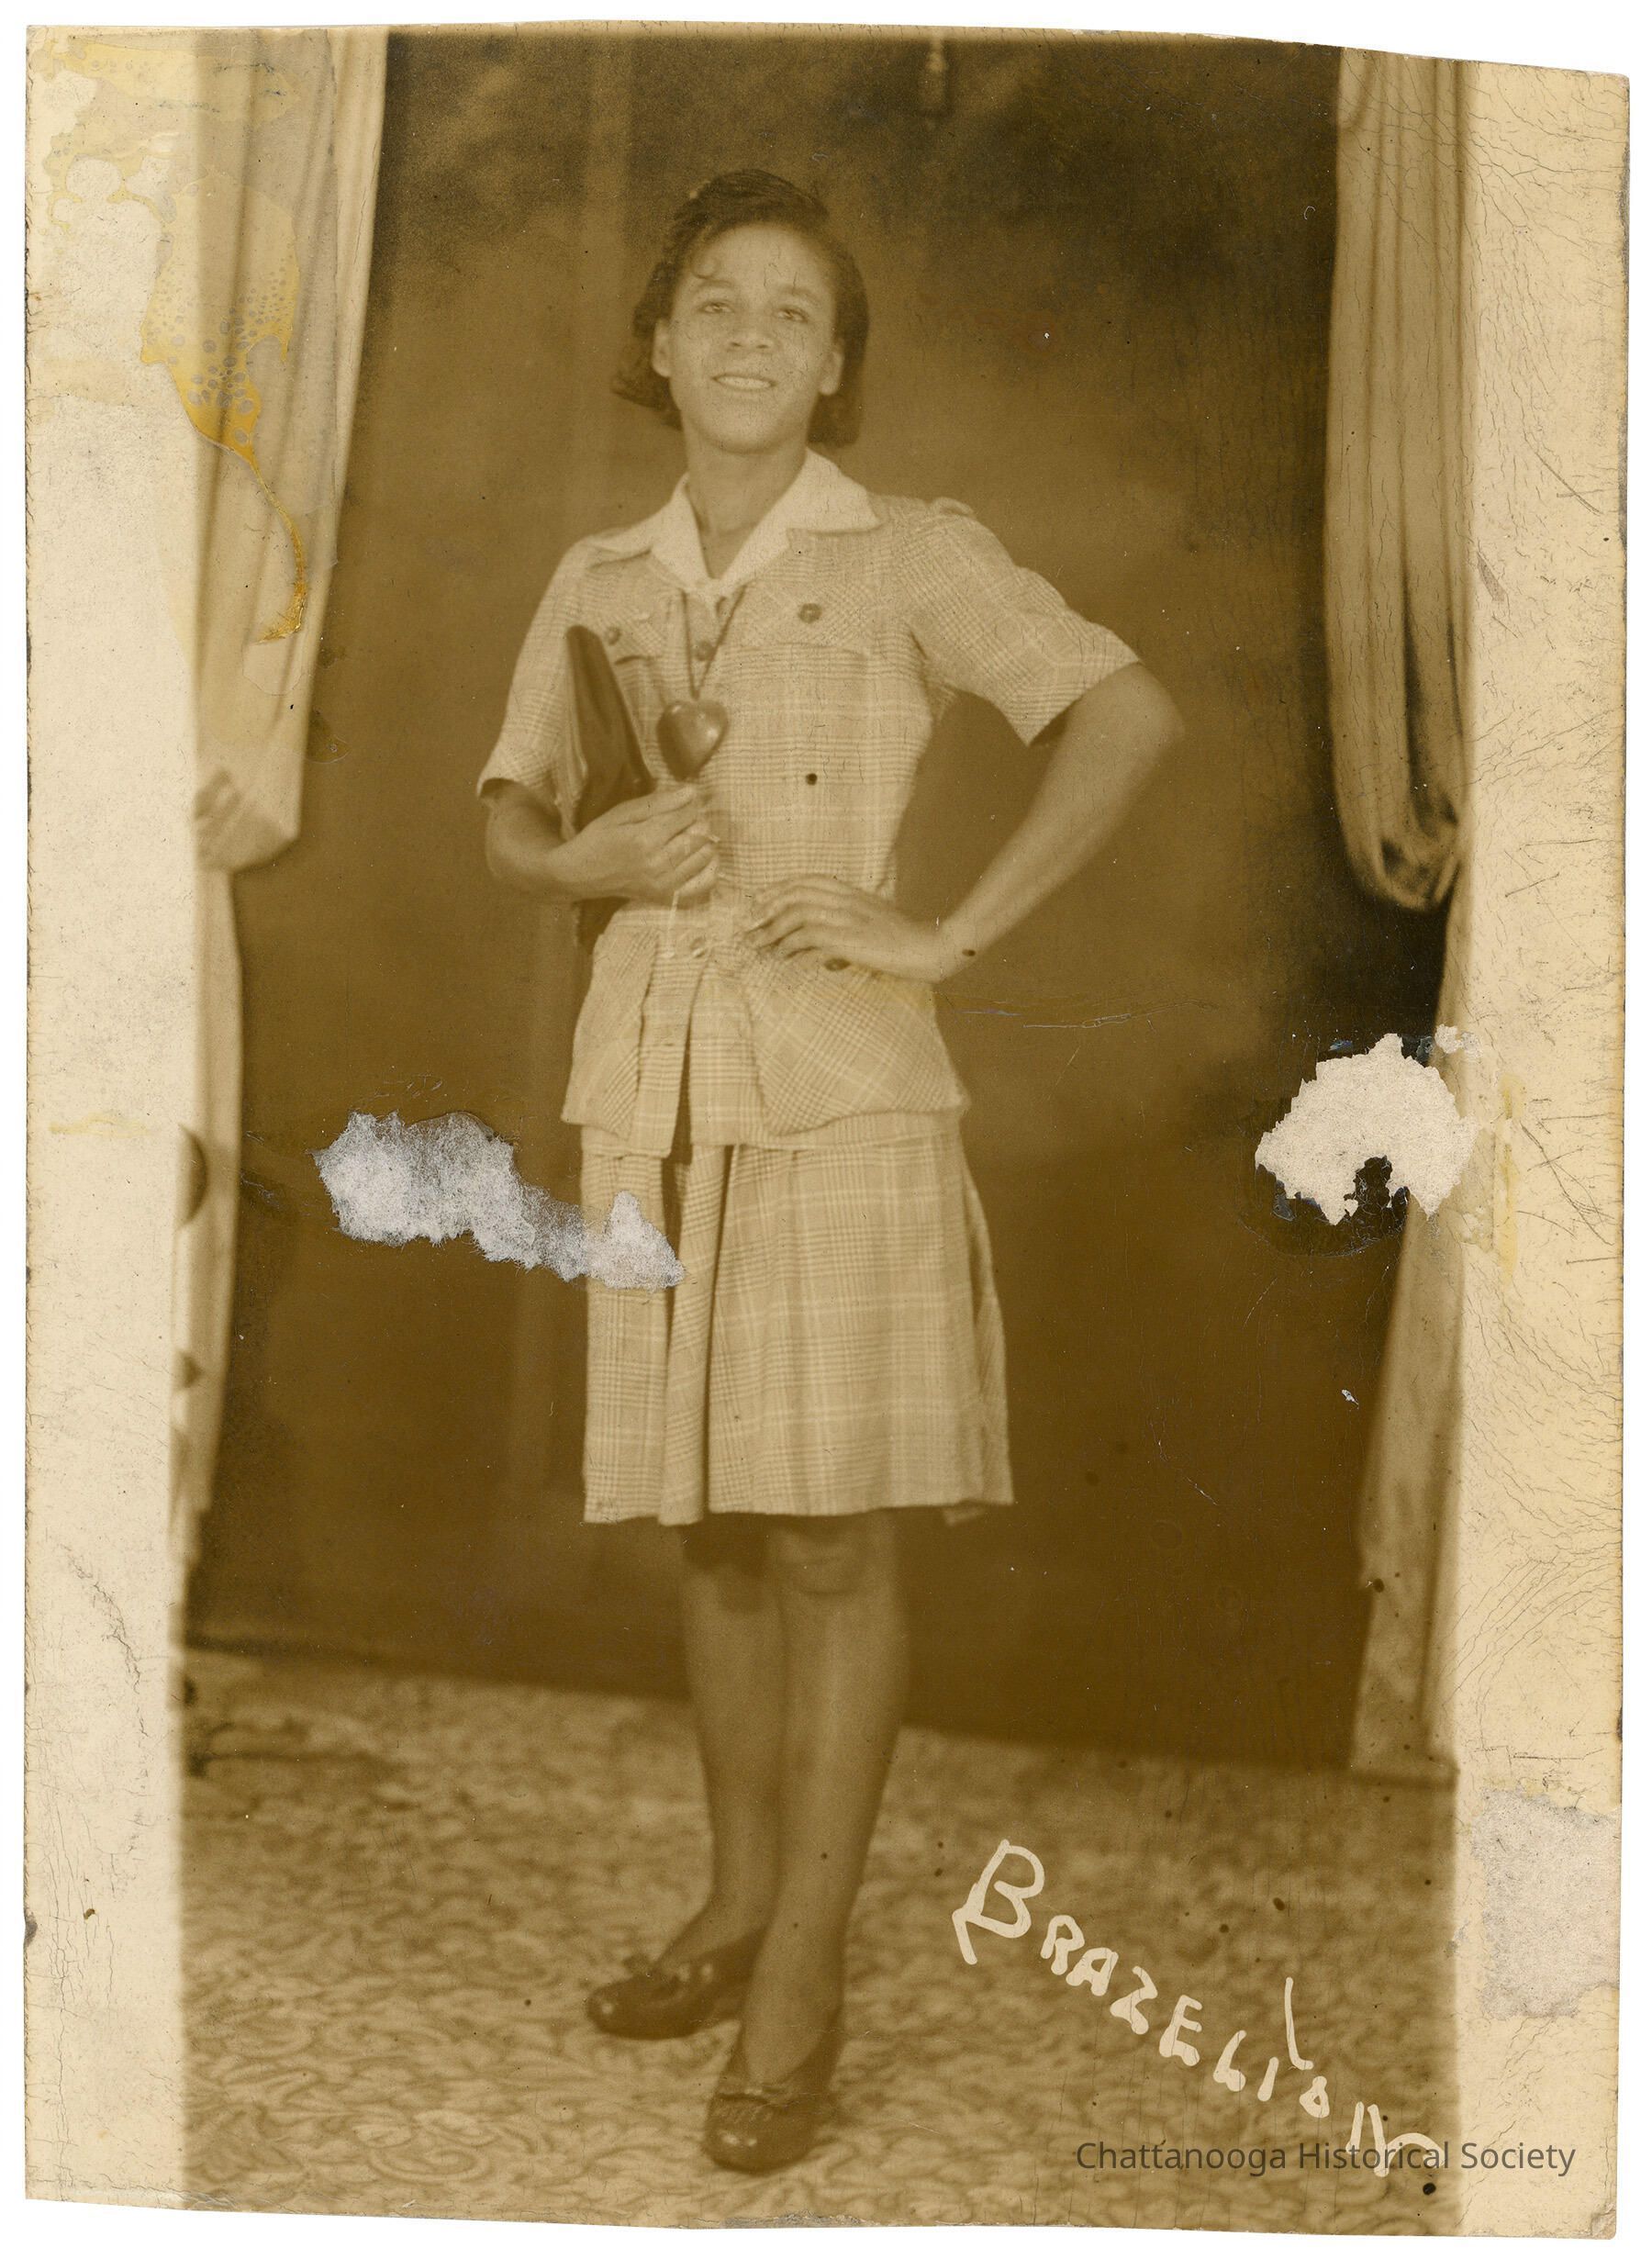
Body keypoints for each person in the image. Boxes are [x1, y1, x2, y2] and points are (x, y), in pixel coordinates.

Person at [479, 170, 1182, 2175]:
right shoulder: (599, 574)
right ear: (660, 342)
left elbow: (1127, 715)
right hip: (655, 1087)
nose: (750, 339)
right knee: (711, 1528)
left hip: (846, 1092)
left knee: (828, 1543)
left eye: (794, 314)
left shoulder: (908, 555)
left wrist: (944, 932)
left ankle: (805, 1968)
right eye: (716, 303)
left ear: (835, 366)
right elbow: (518, 814)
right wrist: (576, 857)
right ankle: (730, 1901)